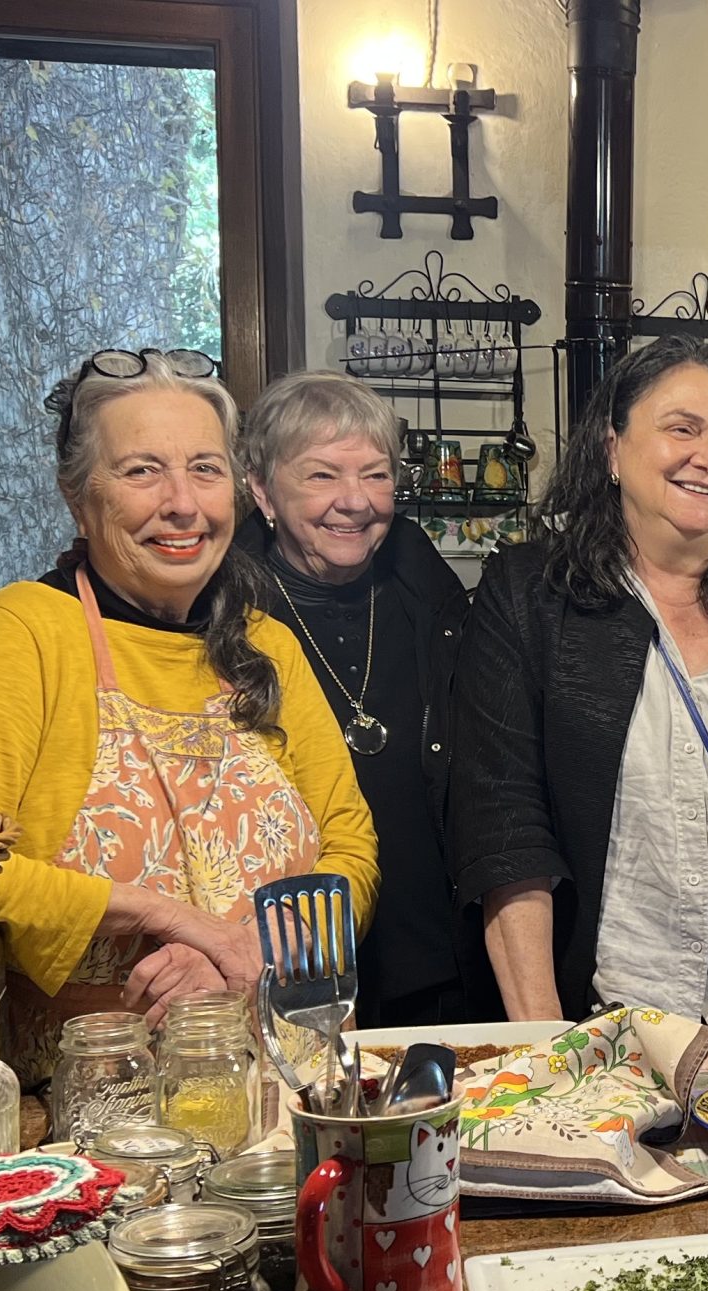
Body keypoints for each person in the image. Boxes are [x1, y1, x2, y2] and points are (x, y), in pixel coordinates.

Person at [0, 348, 378, 1067]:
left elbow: (352, 846)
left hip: (291, 1084)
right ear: (77, 495)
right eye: (141, 470)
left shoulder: (267, 644)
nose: (182, 503)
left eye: (205, 469)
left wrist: (249, 944)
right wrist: (168, 917)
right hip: (97, 1101)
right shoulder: (27, 630)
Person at [449, 338, 708, 1050]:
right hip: (593, 1025)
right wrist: (548, 1039)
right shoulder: (528, 595)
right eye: (682, 428)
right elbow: (502, 824)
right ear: (612, 449)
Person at [237, 370, 494, 1028]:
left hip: (438, 955)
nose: (355, 501)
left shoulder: (425, 585)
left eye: (376, 475)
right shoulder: (223, 616)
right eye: (321, 475)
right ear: (262, 490)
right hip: (293, 963)